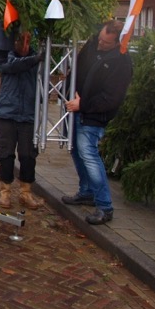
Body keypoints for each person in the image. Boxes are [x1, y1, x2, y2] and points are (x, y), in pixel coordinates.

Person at [62, 20, 133, 225]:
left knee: (89, 156)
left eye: (106, 43)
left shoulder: (121, 61)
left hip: (93, 115)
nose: (101, 44)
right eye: (100, 39)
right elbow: (77, 68)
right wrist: (68, 91)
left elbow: (112, 97)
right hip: (77, 109)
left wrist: (82, 105)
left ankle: (105, 206)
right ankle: (86, 192)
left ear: (118, 43)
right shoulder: (92, 45)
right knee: (76, 150)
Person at [0, 31, 44, 210]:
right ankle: (5, 192)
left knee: (28, 155)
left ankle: (25, 192)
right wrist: (36, 59)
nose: (23, 44)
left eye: (27, 40)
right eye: (20, 40)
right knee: (6, 154)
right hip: (7, 113)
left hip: (28, 115)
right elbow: (13, 67)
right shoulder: (6, 57)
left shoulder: (38, 60)